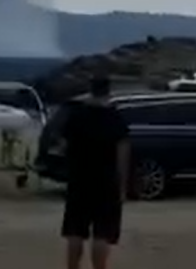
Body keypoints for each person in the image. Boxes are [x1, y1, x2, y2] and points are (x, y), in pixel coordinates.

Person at [61, 76, 131, 269]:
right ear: (109, 91)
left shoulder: (77, 115)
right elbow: (122, 155)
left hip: (79, 180)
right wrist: (123, 187)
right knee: (102, 234)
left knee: (75, 232)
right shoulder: (115, 118)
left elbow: (64, 145)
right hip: (106, 182)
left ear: (90, 89)